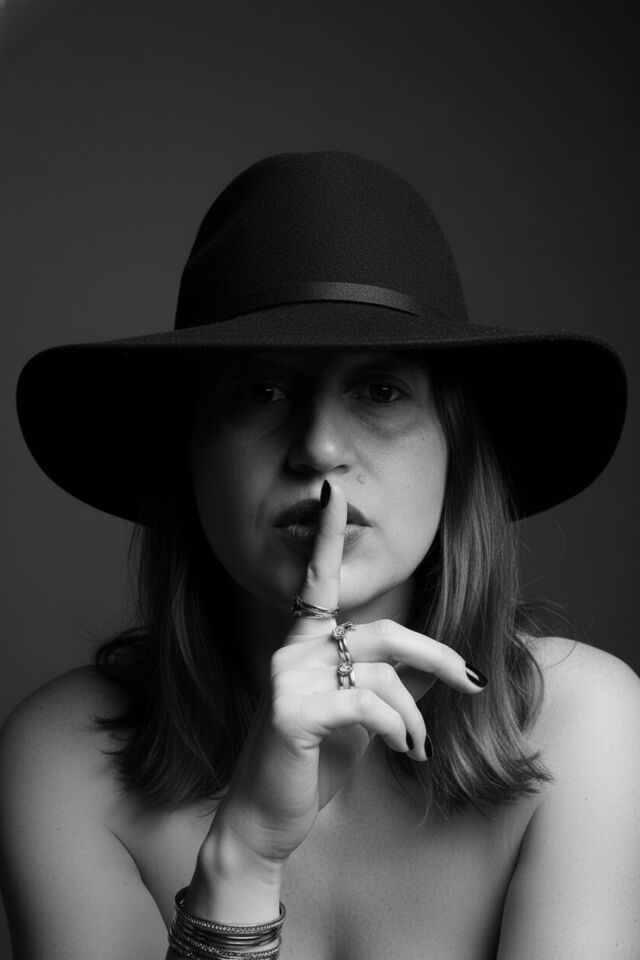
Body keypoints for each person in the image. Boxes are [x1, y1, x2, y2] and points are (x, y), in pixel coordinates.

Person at [1, 150, 638, 960]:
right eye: (262, 391)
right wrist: (243, 856)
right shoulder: (66, 758)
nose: (320, 447)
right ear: (190, 453)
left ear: (457, 452)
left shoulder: (582, 726)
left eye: (381, 390)